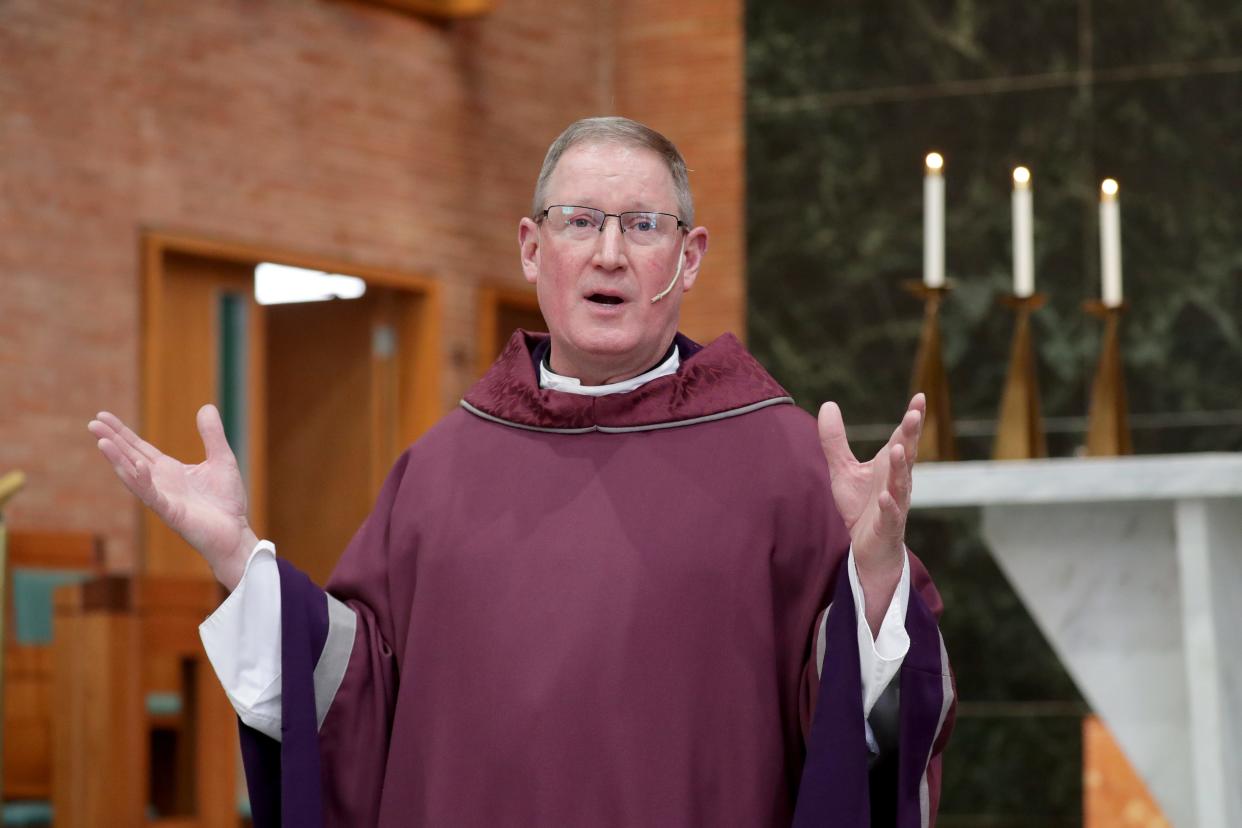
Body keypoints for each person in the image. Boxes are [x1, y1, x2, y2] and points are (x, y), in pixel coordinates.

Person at [90, 117, 953, 827]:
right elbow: (356, 698)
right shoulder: (440, 469)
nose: (609, 253)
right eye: (580, 221)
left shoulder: (780, 461)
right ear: (532, 249)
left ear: (688, 259)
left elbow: (856, 733)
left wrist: (876, 577)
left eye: (642, 225)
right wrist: (239, 558)